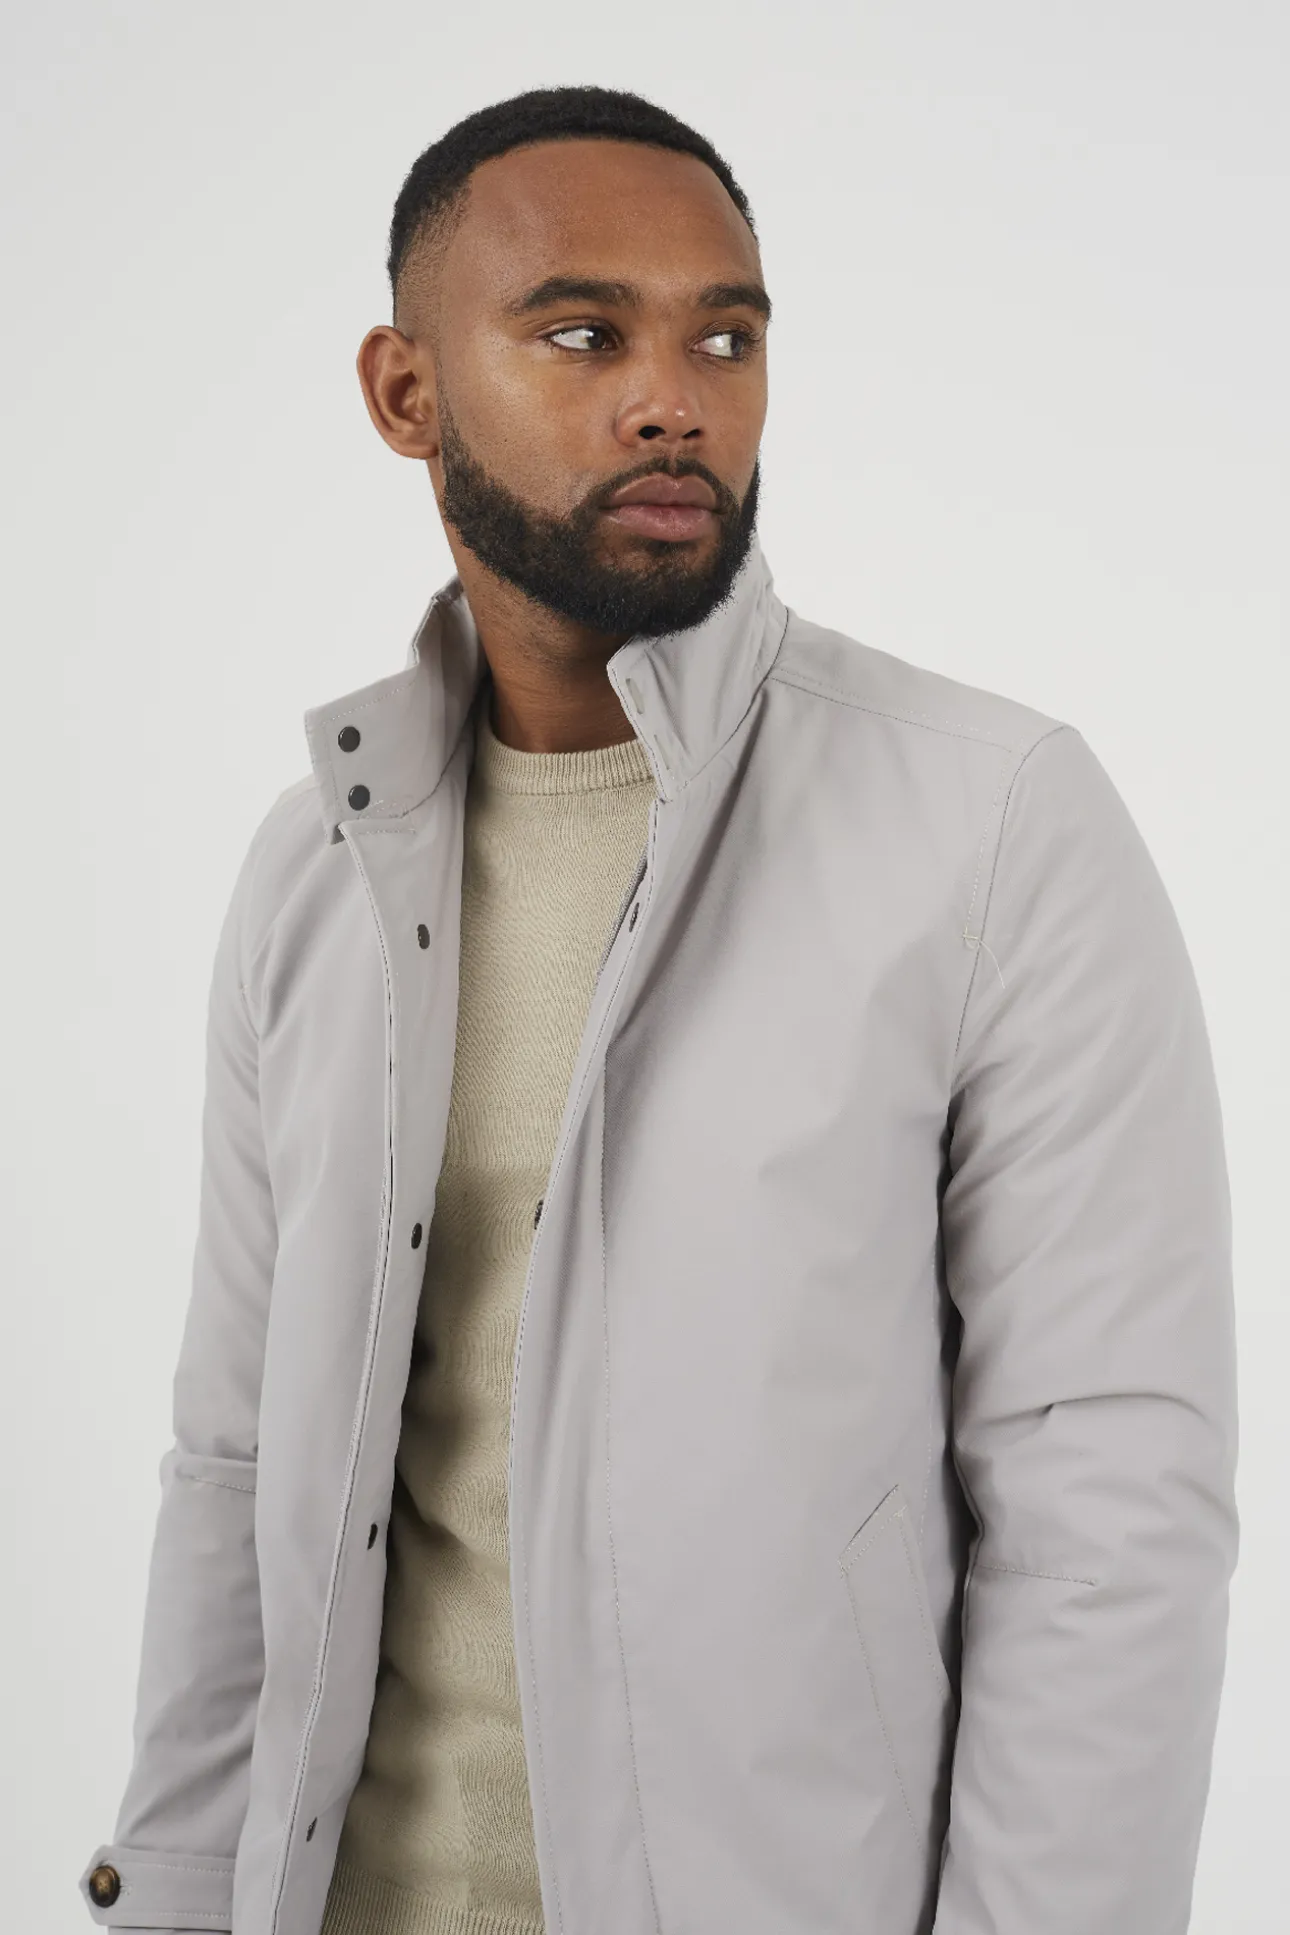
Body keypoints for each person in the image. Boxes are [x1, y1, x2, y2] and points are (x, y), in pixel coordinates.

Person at [78, 84, 1238, 1935]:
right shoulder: (315, 870)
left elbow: (1108, 1513)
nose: (671, 399)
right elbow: (233, 1475)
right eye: (581, 334)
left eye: (724, 338)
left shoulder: (989, 820)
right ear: (403, 392)